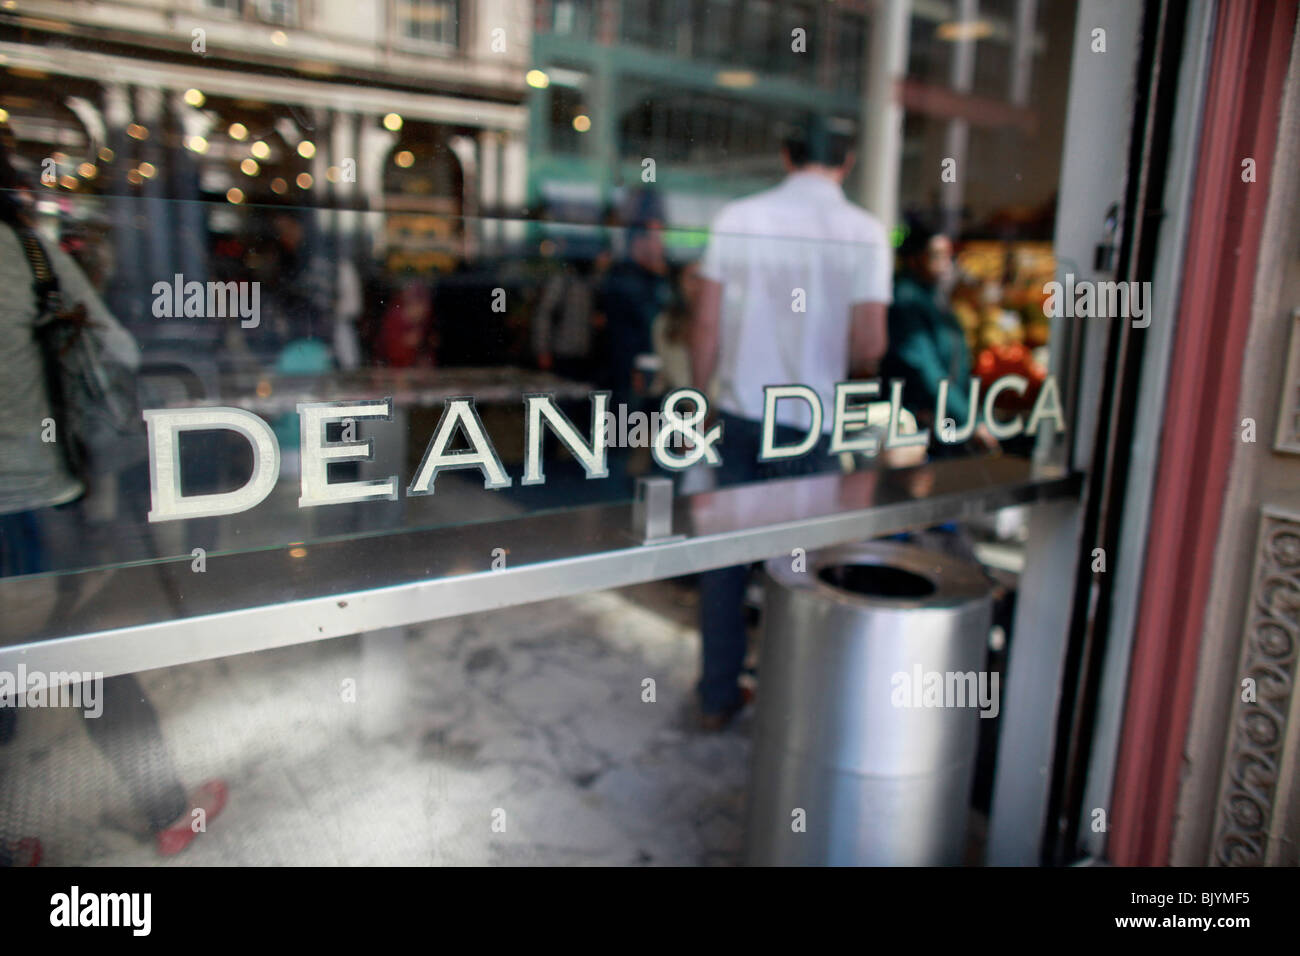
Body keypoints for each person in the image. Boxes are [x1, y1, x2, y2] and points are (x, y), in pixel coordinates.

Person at [0, 132, 227, 863]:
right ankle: (166, 811)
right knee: (93, 655)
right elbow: (119, 351)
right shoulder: (26, 252)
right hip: (34, 501)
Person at [689, 118, 893, 730]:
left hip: (741, 415)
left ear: (785, 155)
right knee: (801, 569)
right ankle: (791, 705)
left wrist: (701, 401)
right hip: (815, 424)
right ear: (849, 161)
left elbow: (705, 324)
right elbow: (870, 342)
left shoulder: (737, 218)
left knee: (724, 561)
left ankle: (717, 697)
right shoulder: (865, 232)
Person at [880, 222, 997, 454]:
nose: (945, 263)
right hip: (921, 420)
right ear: (914, 258)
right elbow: (926, 368)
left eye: (948, 254)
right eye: (936, 255)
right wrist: (970, 420)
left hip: (943, 416)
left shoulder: (933, 296)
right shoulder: (906, 299)